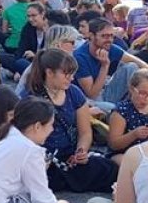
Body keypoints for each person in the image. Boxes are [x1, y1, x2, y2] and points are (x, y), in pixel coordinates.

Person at [21, 48, 118, 192]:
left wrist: (81, 151)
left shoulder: (74, 93)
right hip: (43, 159)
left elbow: (85, 132)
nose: (71, 78)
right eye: (66, 74)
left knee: (109, 169)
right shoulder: (31, 97)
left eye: (72, 74)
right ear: (49, 72)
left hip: (69, 156)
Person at [74, 17, 148, 111]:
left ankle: (136, 104)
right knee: (113, 109)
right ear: (91, 36)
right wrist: (104, 65)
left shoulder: (110, 47)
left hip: (104, 91)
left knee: (132, 66)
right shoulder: (80, 57)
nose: (109, 40)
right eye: (104, 36)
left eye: (111, 36)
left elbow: (145, 66)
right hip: (87, 100)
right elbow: (92, 94)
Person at [105, 69, 148, 156]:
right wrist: (134, 134)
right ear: (131, 89)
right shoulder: (122, 111)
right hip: (124, 153)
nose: (147, 99)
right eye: (143, 93)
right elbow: (113, 144)